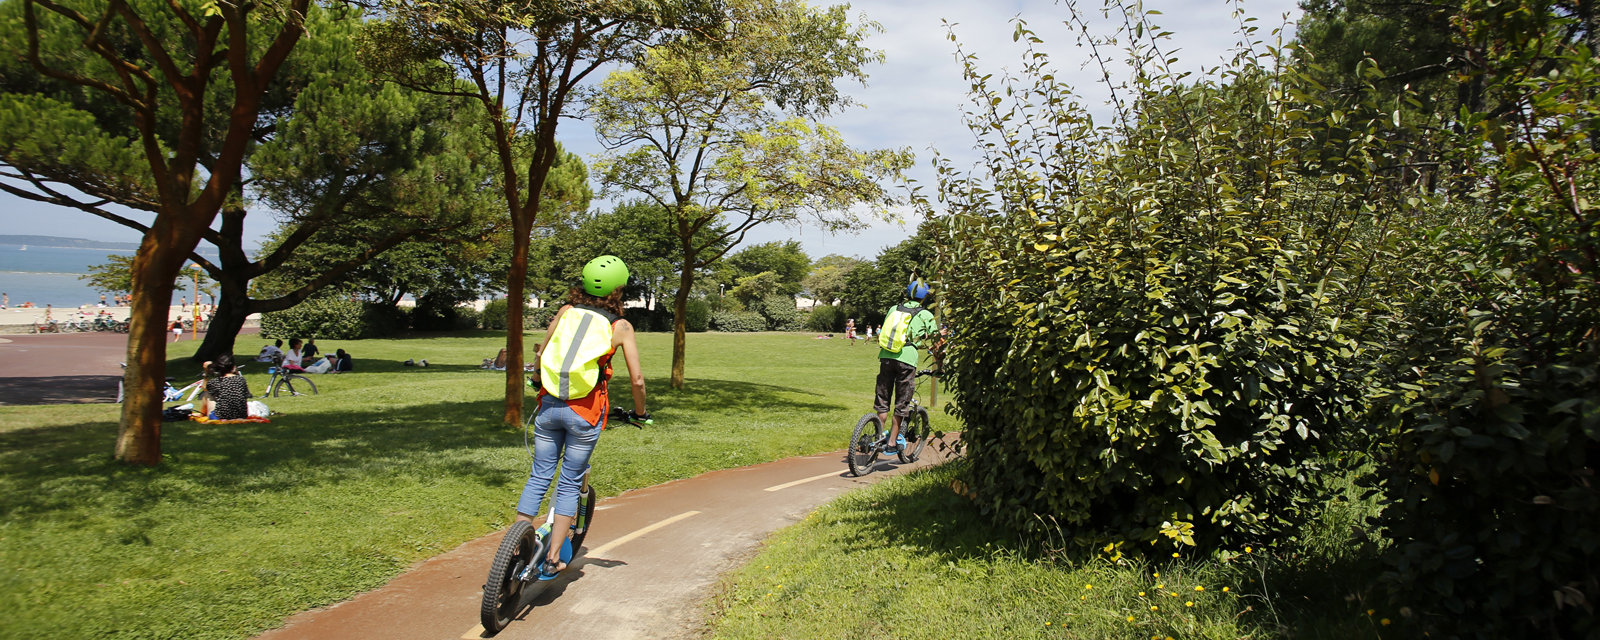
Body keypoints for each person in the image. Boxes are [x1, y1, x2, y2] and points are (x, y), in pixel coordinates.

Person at [517, 255, 649, 578]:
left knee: (539, 476)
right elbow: (637, 380)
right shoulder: (620, 326)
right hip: (585, 414)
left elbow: (543, 352)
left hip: (548, 408)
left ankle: (514, 544)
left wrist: (536, 380)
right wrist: (640, 413)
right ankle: (551, 559)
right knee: (569, 483)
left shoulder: (565, 312)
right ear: (618, 290)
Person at [874, 281, 940, 456]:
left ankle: (877, 436)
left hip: (886, 356)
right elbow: (937, 340)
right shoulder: (925, 314)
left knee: (883, 399)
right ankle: (892, 442)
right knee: (902, 402)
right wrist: (940, 364)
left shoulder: (894, 308)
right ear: (925, 297)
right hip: (907, 360)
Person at [199, 354, 251, 420]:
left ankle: (201, 414)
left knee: (208, 394)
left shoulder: (215, 382)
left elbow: (204, 388)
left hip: (220, 417)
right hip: (241, 416)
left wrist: (206, 373)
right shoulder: (241, 380)